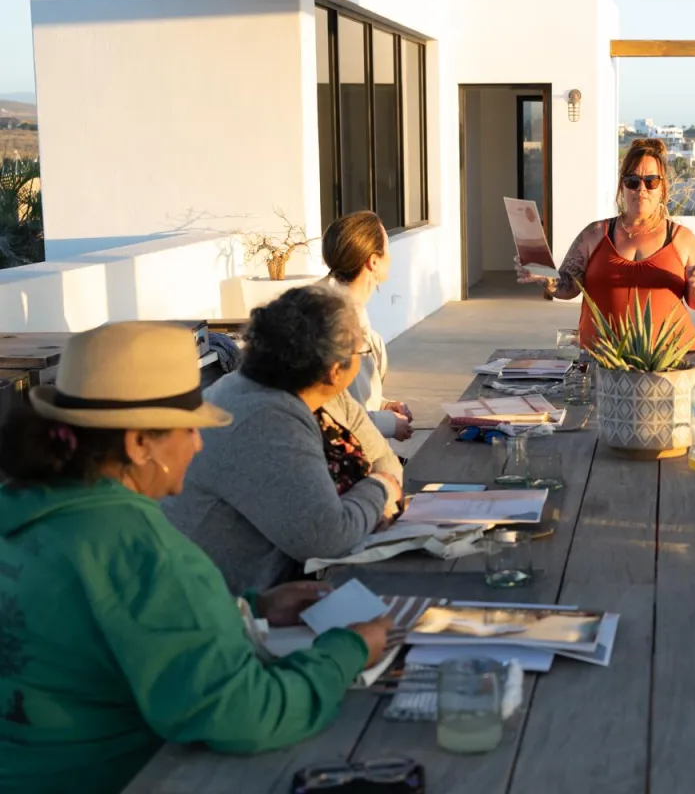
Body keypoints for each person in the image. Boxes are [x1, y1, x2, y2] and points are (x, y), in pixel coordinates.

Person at [0, 322, 401, 794]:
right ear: (139, 444)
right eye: (189, 428)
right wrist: (347, 650)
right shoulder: (145, 553)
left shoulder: (29, 511)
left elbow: (108, 627)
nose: (197, 443)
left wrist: (248, 611)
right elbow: (246, 714)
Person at [164, 285, 403, 592]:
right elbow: (327, 538)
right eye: (360, 352)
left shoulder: (326, 397)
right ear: (334, 370)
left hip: (296, 583)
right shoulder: (262, 417)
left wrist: (367, 508)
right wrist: (380, 491)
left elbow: (386, 461)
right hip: (232, 603)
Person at [515, 137, 695, 351]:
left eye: (651, 181)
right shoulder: (594, 234)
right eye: (632, 181)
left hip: (668, 361)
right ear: (622, 186)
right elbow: (569, 287)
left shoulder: (682, 239)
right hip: (603, 358)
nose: (641, 189)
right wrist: (545, 277)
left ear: (663, 187)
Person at [320, 210, 414, 444]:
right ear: (373, 261)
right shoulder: (336, 324)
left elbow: (350, 399)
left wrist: (384, 406)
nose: (390, 257)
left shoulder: (339, 307)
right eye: (387, 249)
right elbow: (330, 418)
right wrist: (389, 423)